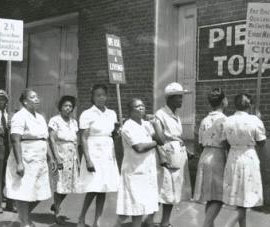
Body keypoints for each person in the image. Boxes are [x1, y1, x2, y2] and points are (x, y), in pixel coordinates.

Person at [4, 88, 56, 227]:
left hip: (40, 159)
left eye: (37, 96)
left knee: (39, 190)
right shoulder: (19, 116)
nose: (37, 99)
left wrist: (50, 157)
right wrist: (19, 163)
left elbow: (44, 139)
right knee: (24, 190)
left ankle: (23, 217)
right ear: (25, 102)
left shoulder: (40, 117)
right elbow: (15, 140)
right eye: (33, 97)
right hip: (26, 157)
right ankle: (24, 221)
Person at [114, 98, 163, 227]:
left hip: (147, 169)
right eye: (137, 106)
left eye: (143, 106)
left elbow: (161, 139)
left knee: (138, 206)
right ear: (130, 110)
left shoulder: (146, 124)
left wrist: (155, 123)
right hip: (134, 170)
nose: (141, 108)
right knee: (136, 207)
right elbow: (139, 148)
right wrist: (155, 143)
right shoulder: (127, 127)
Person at [77, 84, 120, 227]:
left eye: (103, 95)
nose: (101, 98)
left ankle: (97, 221)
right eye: (97, 95)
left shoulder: (112, 113)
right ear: (93, 97)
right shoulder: (87, 114)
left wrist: (117, 132)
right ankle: (81, 217)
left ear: (107, 96)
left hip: (107, 153)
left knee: (103, 188)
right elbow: (83, 138)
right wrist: (88, 159)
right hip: (94, 152)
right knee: (93, 187)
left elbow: (113, 135)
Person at [222, 93, 266, 227]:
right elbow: (262, 142)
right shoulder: (255, 120)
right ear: (250, 105)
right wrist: (258, 120)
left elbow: (225, 142)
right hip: (248, 158)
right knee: (245, 201)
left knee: (240, 200)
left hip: (233, 158)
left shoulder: (227, 120)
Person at [154, 82, 192, 227]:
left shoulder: (175, 115)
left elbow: (176, 136)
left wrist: (186, 150)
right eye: (179, 97)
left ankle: (165, 222)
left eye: (182, 97)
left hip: (178, 155)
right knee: (163, 188)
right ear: (170, 98)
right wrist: (162, 156)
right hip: (166, 154)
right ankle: (148, 220)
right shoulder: (160, 115)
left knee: (173, 189)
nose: (181, 100)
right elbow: (157, 137)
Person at [193, 88, 228, 227]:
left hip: (205, 156)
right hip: (217, 157)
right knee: (219, 198)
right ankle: (206, 225)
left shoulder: (204, 120)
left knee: (210, 197)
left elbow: (200, 142)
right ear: (224, 101)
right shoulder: (225, 120)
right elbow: (227, 142)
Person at [48, 95, 79, 225]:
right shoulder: (55, 120)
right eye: (65, 106)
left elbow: (76, 141)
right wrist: (56, 157)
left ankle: (56, 205)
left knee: (69, 186)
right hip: (61, 153)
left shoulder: (74, 122)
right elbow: (52, 140)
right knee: (59, 184)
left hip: (72, 155)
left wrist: (77, 159)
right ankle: (57, 212)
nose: (68, 108)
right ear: (60, 107)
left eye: (70, 106)